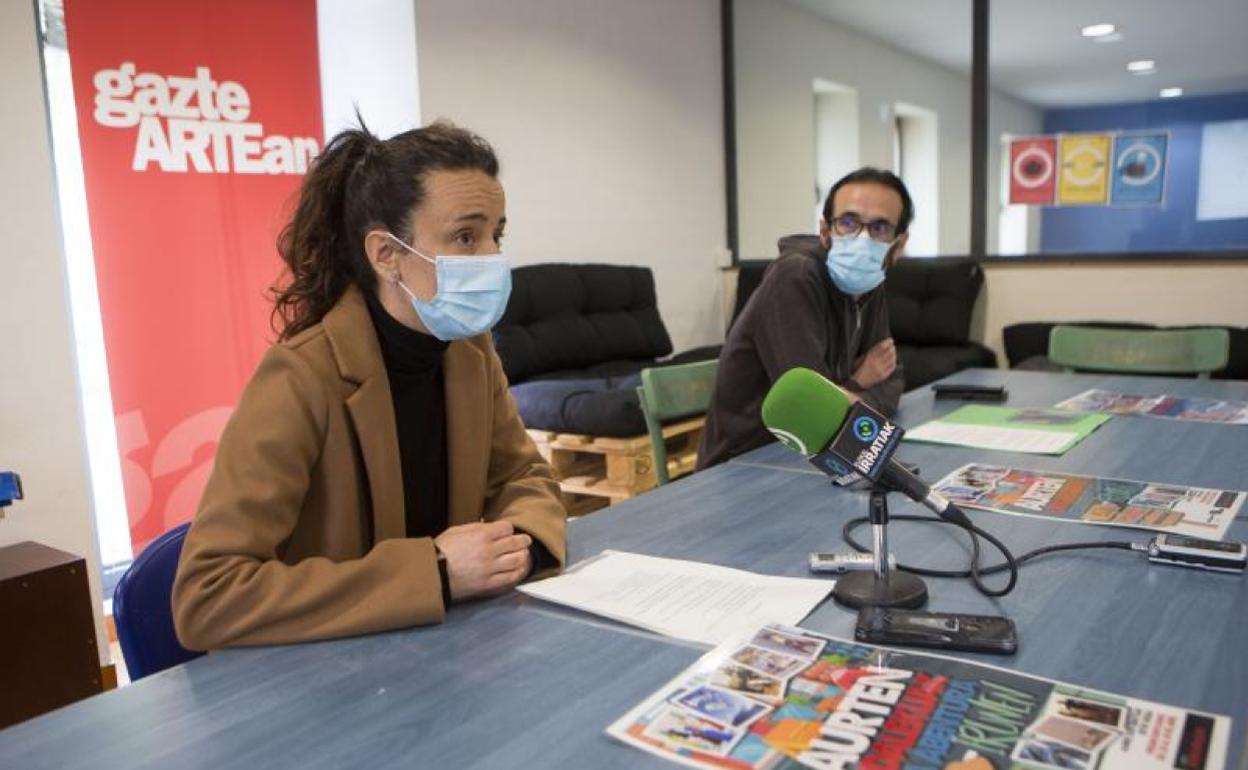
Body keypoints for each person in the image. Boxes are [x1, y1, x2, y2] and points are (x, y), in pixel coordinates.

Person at [172, 121, 566, 649]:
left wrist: (519, 546)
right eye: (466, 236)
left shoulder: (470, 351)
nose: (492, 257)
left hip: (440, 655)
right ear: (386, 254)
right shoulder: (301, 376)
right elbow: (207, 595)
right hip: (328, 682)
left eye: (498, 233)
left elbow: (525, 476)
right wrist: (438, 571)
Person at [697, 167, 911, 468]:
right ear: (825, 231)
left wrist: (843, 393)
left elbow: (891, 378)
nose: (862, 239)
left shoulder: (870, 281)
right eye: (848, 222)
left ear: (898, 245)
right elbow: (809, 412)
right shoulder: (795, 276)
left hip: (815, 458)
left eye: (879, 228)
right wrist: (859, 380)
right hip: (747, 465)